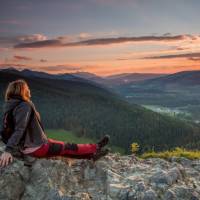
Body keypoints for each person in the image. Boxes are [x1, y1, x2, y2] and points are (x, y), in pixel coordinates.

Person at [0, 79, 110, 167]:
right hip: (36, 146)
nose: (29, 90)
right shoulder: (24, 106)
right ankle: (96, 147)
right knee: (69, 147)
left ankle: (91, 155)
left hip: (33, 144)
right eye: (27, 88)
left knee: (64, 150)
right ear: (22, 91)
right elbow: (20, 128)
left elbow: (7, 129)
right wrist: (8, 150)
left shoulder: (10, 106)